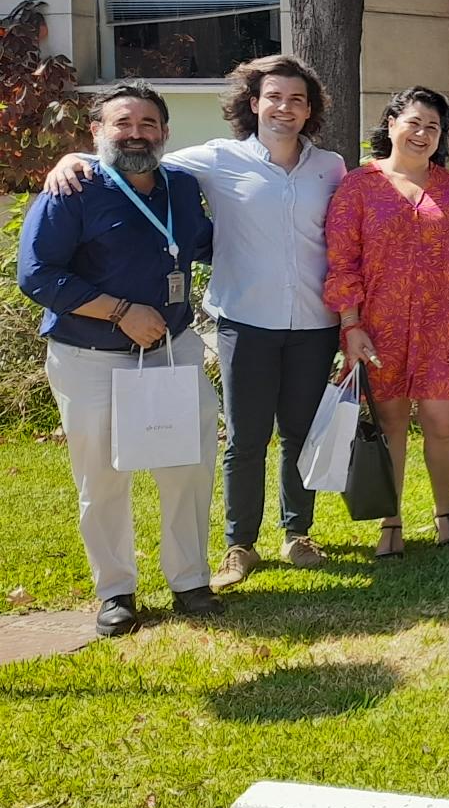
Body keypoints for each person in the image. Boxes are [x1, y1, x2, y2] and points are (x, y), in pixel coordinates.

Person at [41, 55, 347, 589]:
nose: (284, 107)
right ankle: (239, 544)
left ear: (309, 110)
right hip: (244, 320)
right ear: (254, 104)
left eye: (297, 99)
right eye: (274, 96)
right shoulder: (215, 158)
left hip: (314, 320)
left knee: (300, 431)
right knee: (245, 437)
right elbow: (131, 160)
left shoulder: (332, 167)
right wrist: (73, 157)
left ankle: (297, 531)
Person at [19, 84, 220, 636]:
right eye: (122, 123)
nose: (136, 133)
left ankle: (189, 579)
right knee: (103, 478)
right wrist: (120, 310)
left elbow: (203, 243)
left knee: (187, 465)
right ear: (96, 133)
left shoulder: (180, 186)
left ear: (166, 133)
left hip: (172, 352)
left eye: (149, 124)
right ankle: (116, 591)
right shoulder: (74, 188)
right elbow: (37, 275)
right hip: (91, 358)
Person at [325, 87, 449, 557]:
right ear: (392, 123)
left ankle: (446, 515)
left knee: (443, 422)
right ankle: (391, 521)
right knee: (390, 423)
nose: (422, 134)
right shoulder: (358, 186)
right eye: (414, 122)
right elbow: (343, 264)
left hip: (444, 328)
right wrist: (351, 326)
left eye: (433, 127)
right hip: (379, 328)